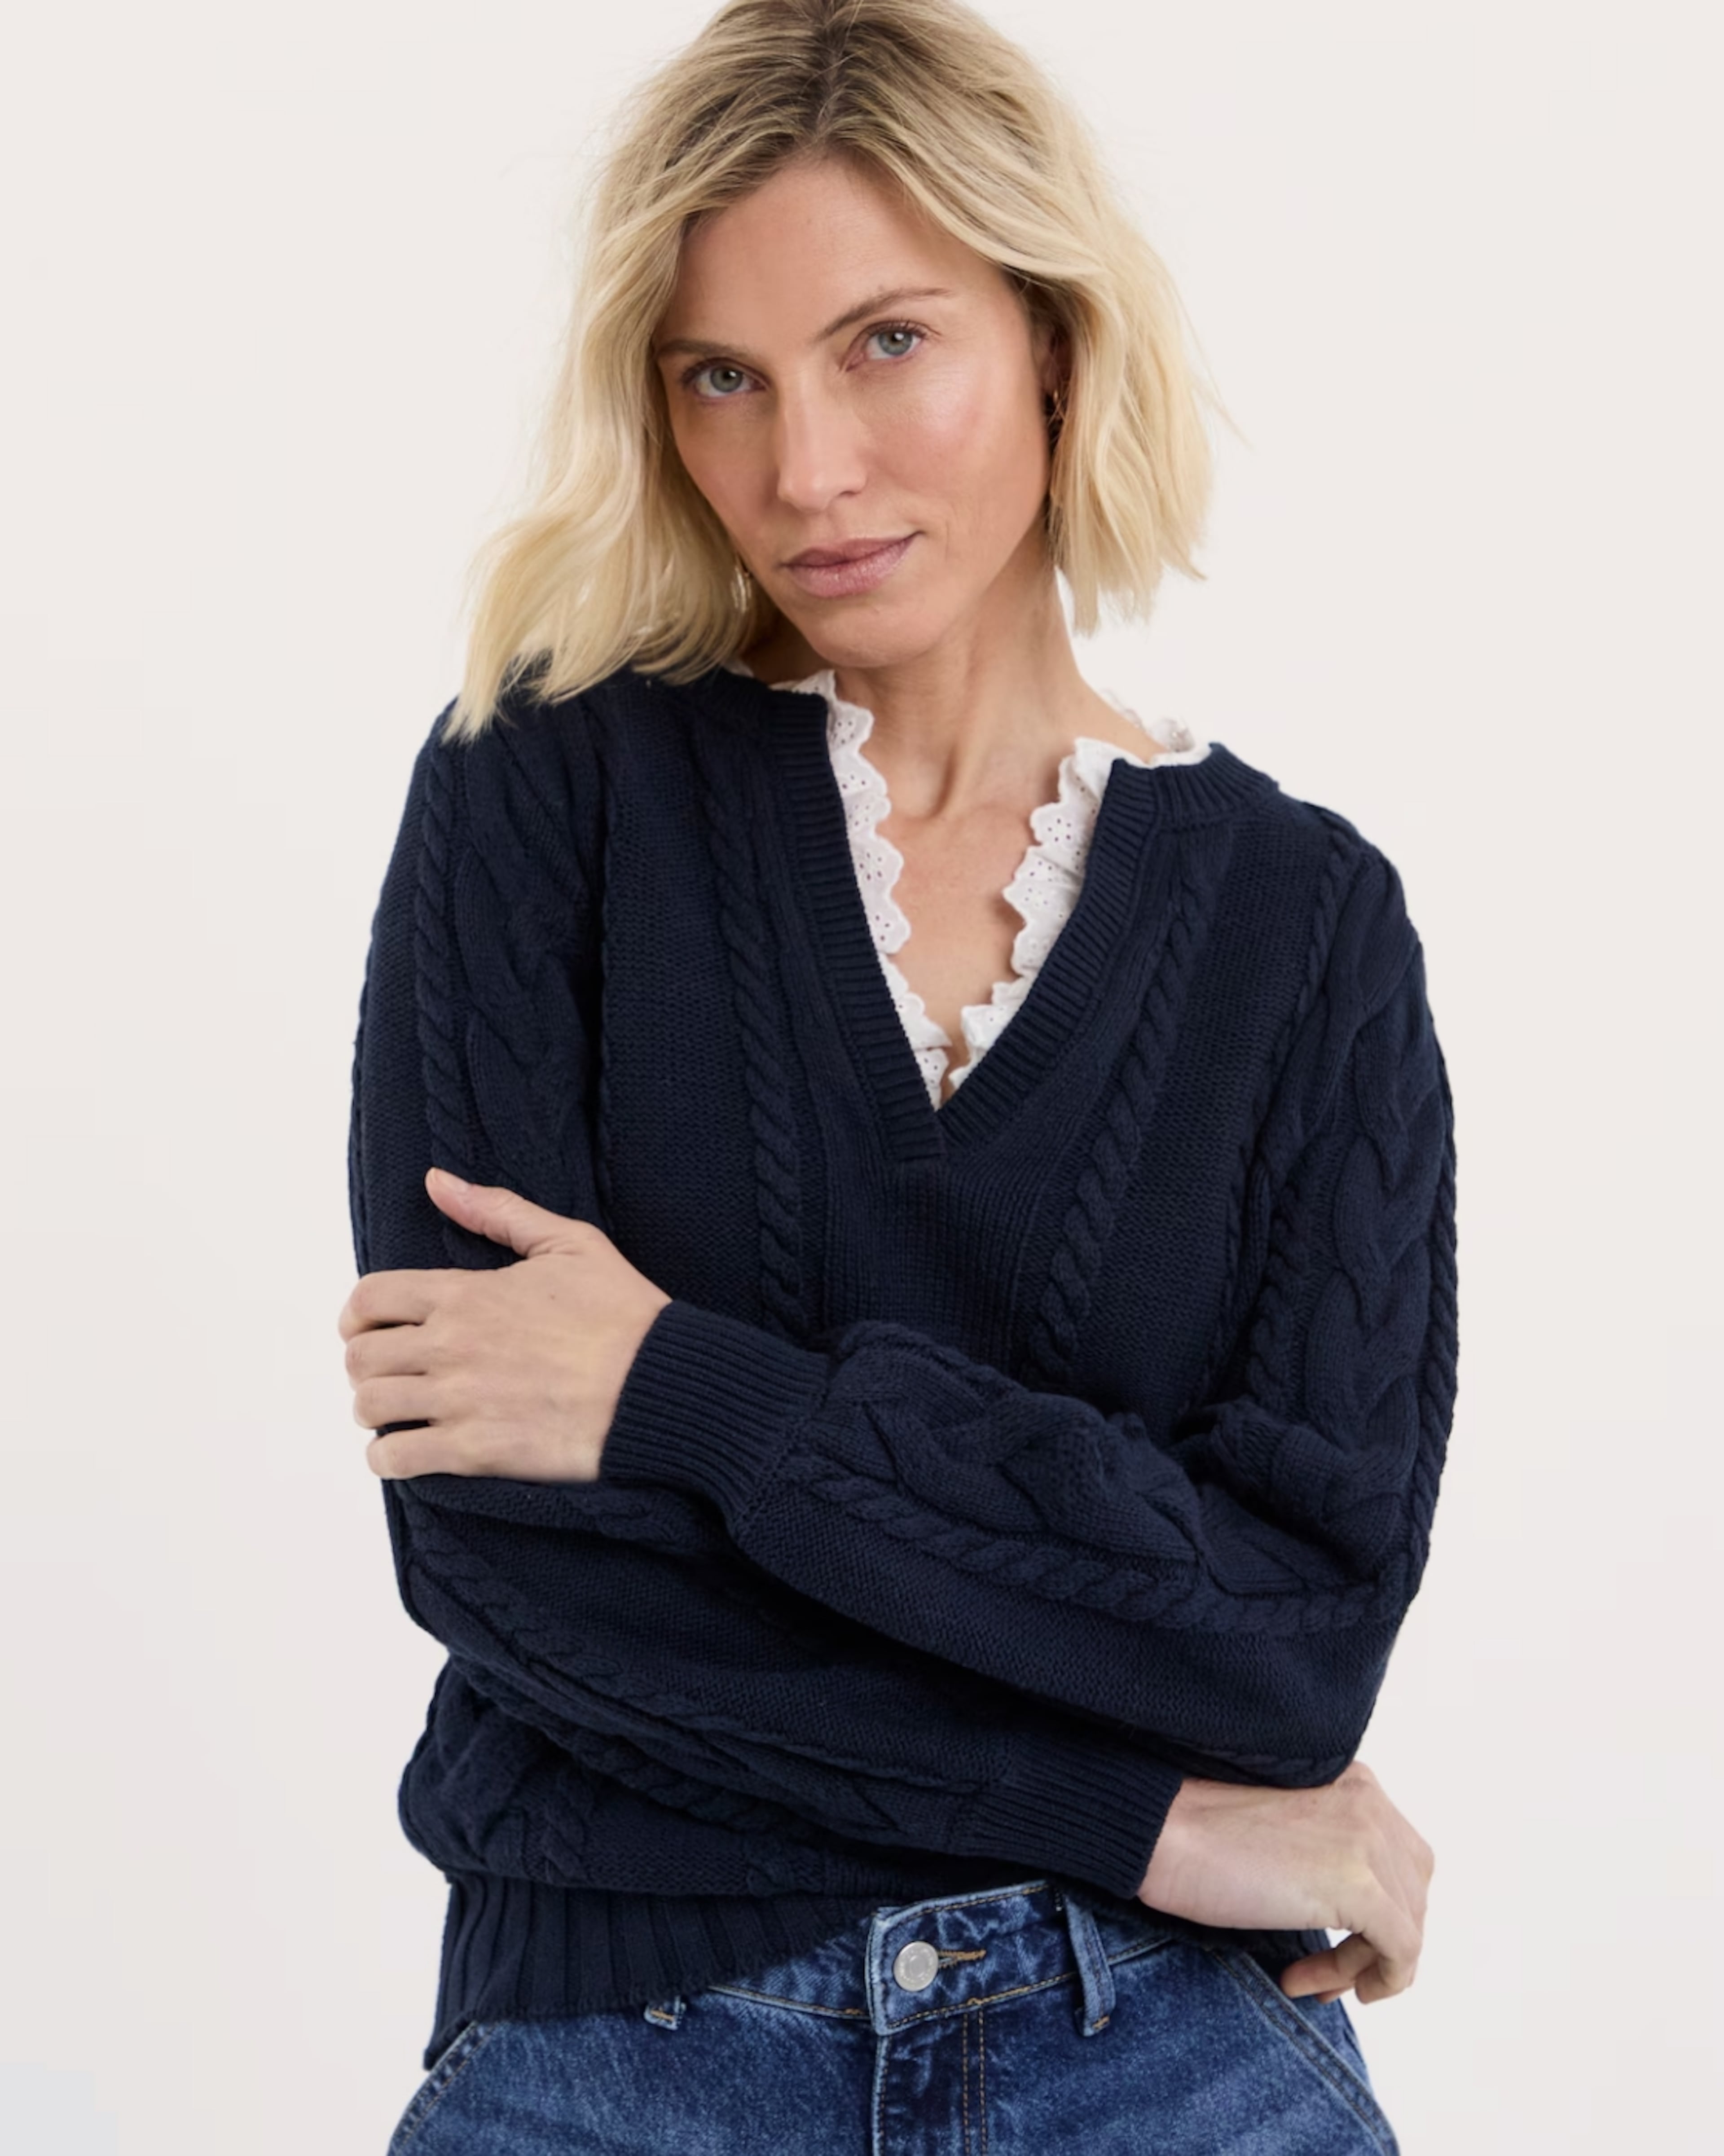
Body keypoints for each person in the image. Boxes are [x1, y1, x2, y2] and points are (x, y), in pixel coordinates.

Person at [338, 1, 1456, 2149]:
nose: (803, 471)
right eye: (720, 378)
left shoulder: (1306, 928)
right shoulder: (543, 789)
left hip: (1175, 2058)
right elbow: (509, 1560)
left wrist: (685, 1391)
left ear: (1050, 334)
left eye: (884, 344)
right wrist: (1132, 1807)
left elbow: (1292, 1640)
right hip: (619, 2048)